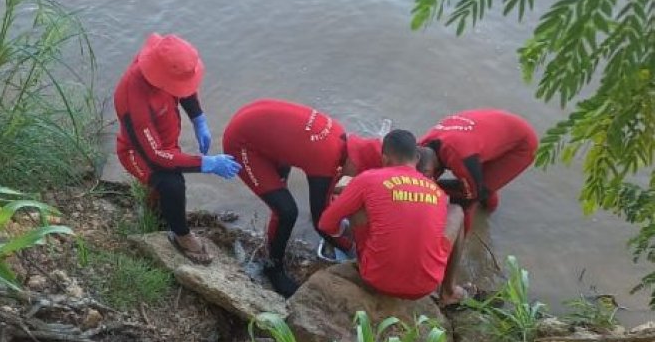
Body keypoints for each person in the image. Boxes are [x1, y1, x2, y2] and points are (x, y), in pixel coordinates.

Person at [222, 99, 382, 296]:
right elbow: (322, 222)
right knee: (287, 212)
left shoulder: (340, 138)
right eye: (356, 176)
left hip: (262, 129)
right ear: (356, 164)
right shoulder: (326, 160)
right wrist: (352, 248)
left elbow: (334, 190)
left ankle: (273, 244)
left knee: (282, 201)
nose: (351, 180)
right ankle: (273, 269)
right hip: (243, 144)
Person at [114, 33, 241, 263]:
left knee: (164, 183)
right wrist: (207, 163)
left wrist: (198, 118)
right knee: (172, 182)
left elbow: (182, 83)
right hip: (139, 151)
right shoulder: (134, 98)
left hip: (164, 139)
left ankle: (154, 208)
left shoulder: (160, 55)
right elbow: (156, 156)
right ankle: (180, 235)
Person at [318, 129, 467, 305]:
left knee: (360, 203)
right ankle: (448, 291)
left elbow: (326, 223)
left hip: (376, 278)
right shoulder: (437, 190)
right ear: (417, 159)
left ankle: (362, 259)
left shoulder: (368, 178)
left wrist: (345, 232)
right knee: (456, 211)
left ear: (384, 159)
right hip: (426, 285)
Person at [417, 108, 538, 231]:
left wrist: (435, 187)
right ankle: (485, 215)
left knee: (471, 196)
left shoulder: (461, 157)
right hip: (489, 129)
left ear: (428, 170)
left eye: (426, 176)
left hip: (521, 145)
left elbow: (470, 196)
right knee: (476, 180)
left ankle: (481, 224)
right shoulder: (418, 147)